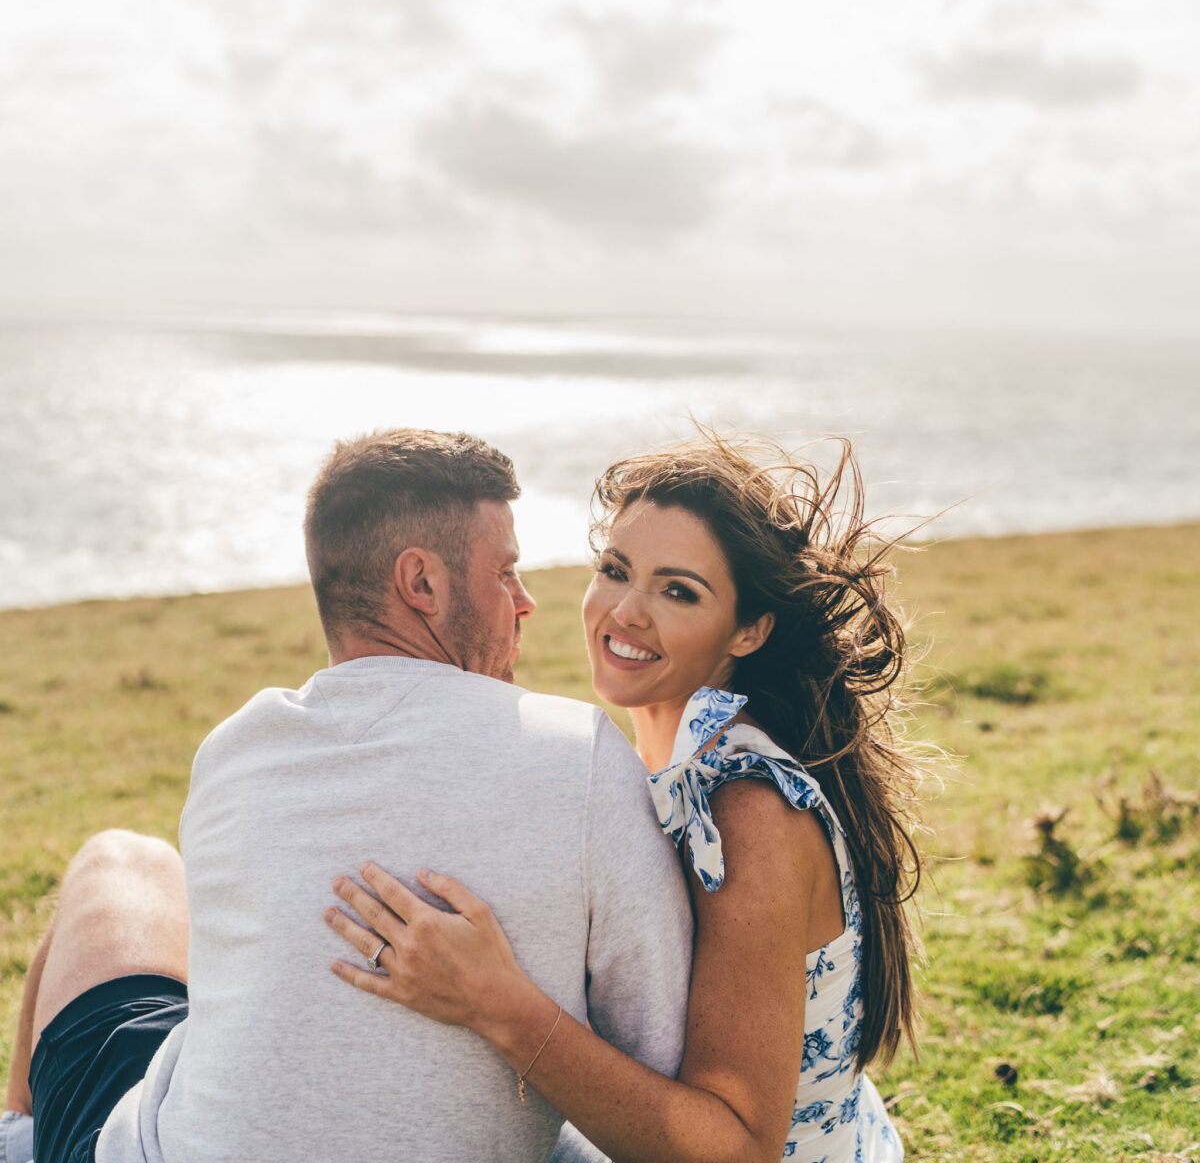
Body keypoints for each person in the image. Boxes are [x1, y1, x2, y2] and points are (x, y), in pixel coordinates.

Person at [4, 429, 693, 1163]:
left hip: (161, 1144)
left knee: (123, 859)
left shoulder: (238, 746)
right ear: (421, 582)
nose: (525, 602)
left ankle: (20, 1130)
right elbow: (659, 1072)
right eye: (506, 573)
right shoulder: (581, 755)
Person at [327, 432, 921, 1163]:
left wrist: (494, 1002)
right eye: (615, 570)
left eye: (678, 591)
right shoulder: (669, 760)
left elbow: (737, 1149)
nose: (627, 612)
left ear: (750, 629)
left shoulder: (746, 808)